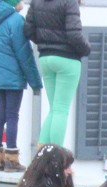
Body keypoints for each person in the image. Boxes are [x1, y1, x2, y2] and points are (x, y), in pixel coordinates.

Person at [0, 0, 43, 173]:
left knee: (0, 114)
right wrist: (35, 82)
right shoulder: (16, 20)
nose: (22, 3)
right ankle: (11, 159)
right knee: (12, 116)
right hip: (12, 76)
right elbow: (24, 53)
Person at [24, 0, 89, 147]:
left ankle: (41, 154)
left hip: (46, 58)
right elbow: (74, 35)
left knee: (54, 109)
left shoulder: (36, 2)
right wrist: (86, 49)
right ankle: (56, 156)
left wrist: (46, 43)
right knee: (61, 110)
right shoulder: (69, 2)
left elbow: (28, 30)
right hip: (67, 59)